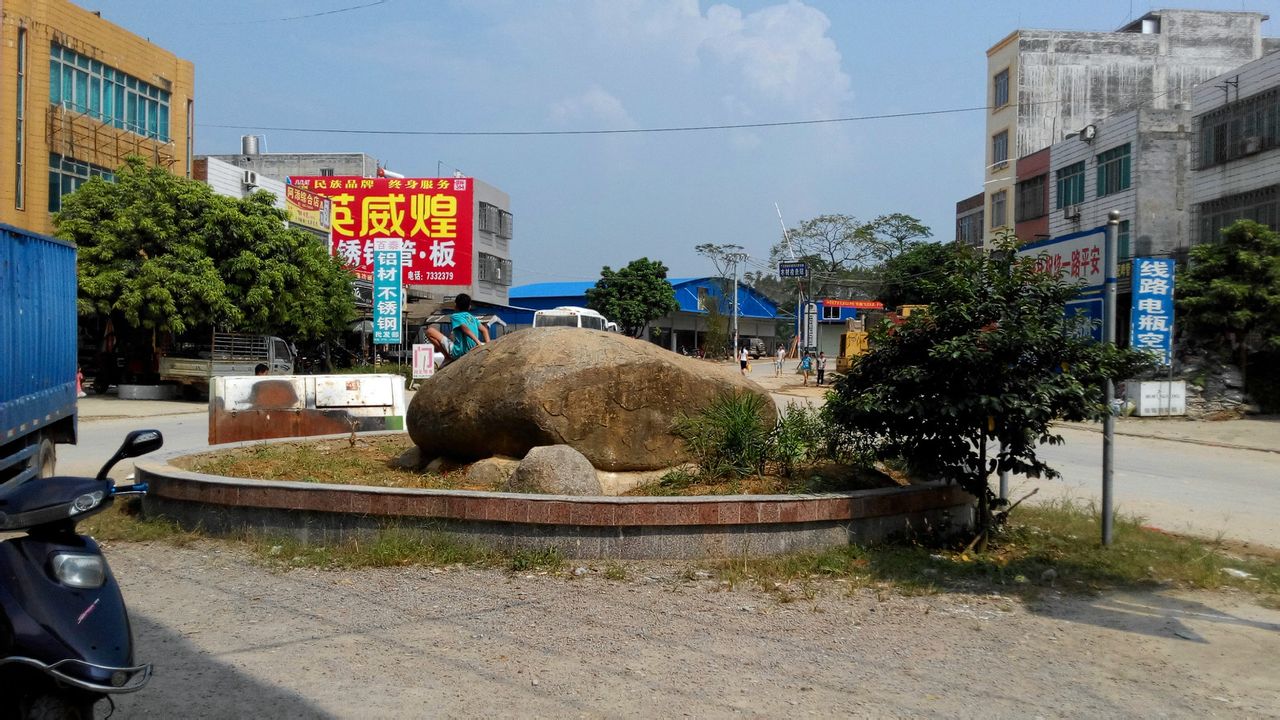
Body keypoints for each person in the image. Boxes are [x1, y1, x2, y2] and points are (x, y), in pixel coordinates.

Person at [425, 293, 490, 367]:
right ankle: (448, 355)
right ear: (469, 307)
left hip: (459, 352)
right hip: (472, 349)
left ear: (455, 306)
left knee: (429, 331)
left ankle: (447, 357)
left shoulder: (455, 316)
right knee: (453, 334)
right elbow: (484, 330)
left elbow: (464, 328)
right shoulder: (472, 318)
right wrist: (489, 346)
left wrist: (478, 342)